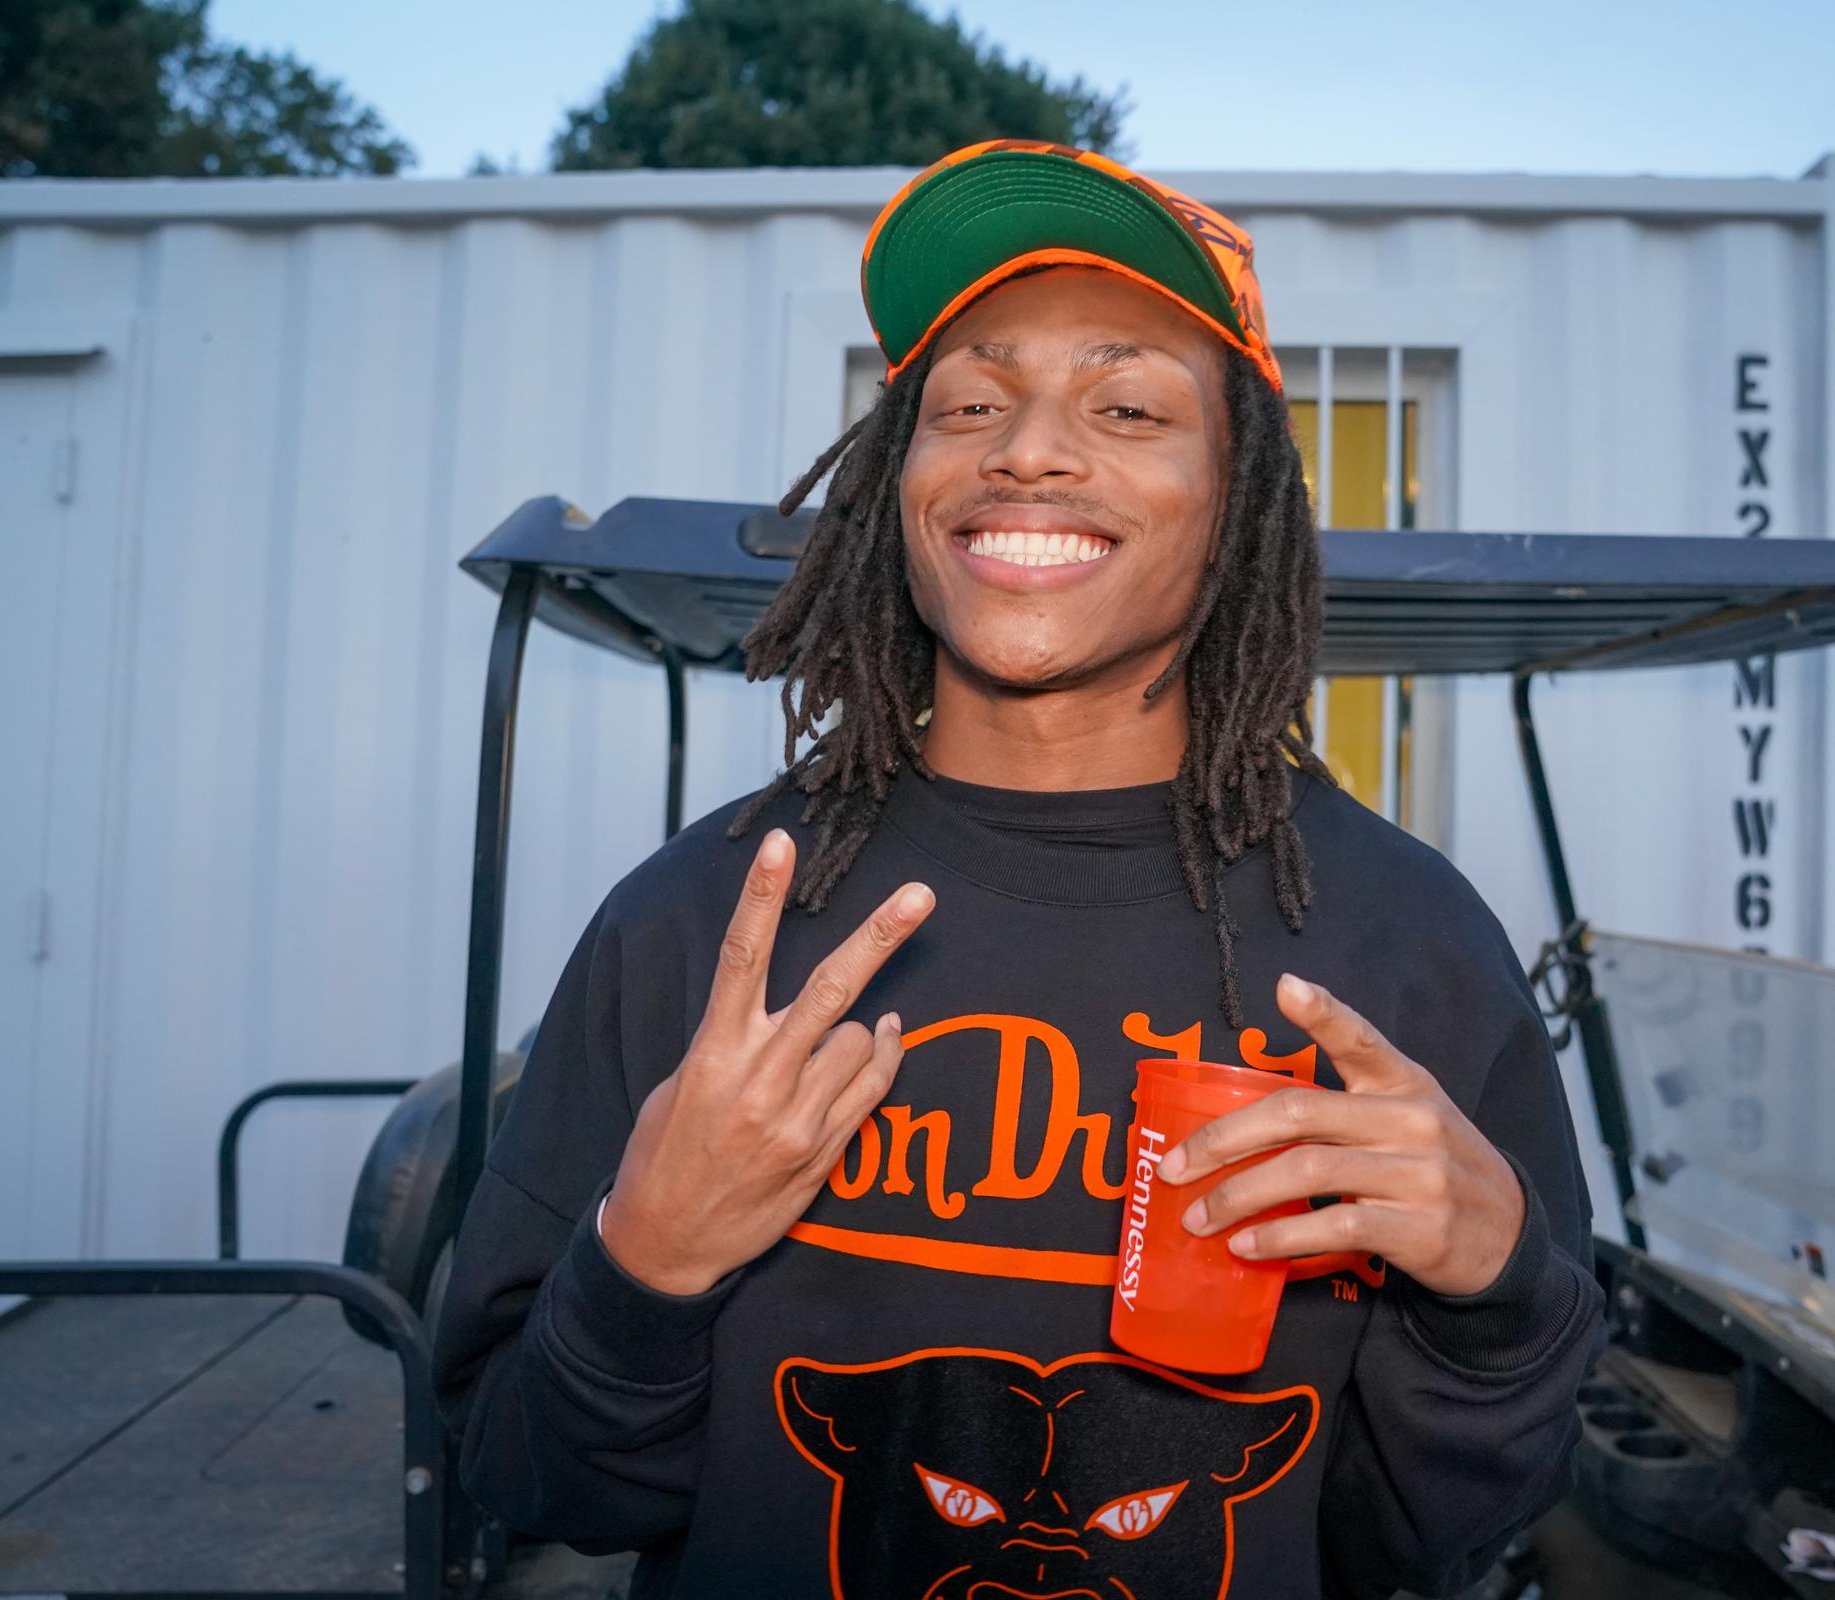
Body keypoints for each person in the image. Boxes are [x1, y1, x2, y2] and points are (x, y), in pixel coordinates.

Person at [435, 139, 1604, 1600]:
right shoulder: (696, 919)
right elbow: (523, 1475)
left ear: (1236, 502)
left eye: (1125, 405)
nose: (1030, 448)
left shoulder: (1403, 946)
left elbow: (1404, 1546)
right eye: (971, 403)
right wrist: (643, 1264)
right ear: (898, 484)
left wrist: (1497, 1301)